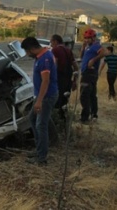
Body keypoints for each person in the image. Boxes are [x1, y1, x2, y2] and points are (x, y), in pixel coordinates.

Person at [21, 37, 58, 166]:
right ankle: (39, 150)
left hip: (46, 97)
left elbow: (46, 81)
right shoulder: (42, 55)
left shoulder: (44, 59)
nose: (27, 54)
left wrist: (39, 101)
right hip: (42, 96)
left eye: (27, 51)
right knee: (32, 119)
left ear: (32, 49)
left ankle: (42, 158)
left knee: (40, 125)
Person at [79, 28, 107, 123]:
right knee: (92, 95)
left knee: (84, 95)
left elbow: (103, 52)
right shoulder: (88, 47)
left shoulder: (96, 46)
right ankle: (94, 114)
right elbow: (82, 57)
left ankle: (85, 118)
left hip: (89, 73)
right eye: (85, 38)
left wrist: (93, 60)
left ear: (93, 38)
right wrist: (83, 47)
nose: (86, 40)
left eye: (88, 38)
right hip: (88, 73)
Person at [50, 34, 78, 111]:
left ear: (55, 41)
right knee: (65, 101)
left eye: (51, 42)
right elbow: (75, 66)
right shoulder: (68, 50)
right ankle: (63, 119)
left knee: (56, 102)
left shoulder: (55, 50)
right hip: (68, 80)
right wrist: (75, 81)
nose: (51, 45)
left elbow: (54, 65)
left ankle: (56, 119)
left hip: (59, 79)